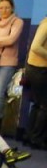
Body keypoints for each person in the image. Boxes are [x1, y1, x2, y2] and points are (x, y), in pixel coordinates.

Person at [25, 16, 47, 149]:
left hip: (34, 69)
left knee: (38, 104)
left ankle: (29, 136)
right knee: (44, 106)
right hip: (40, 69)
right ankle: (37, 139)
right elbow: (35, 47)